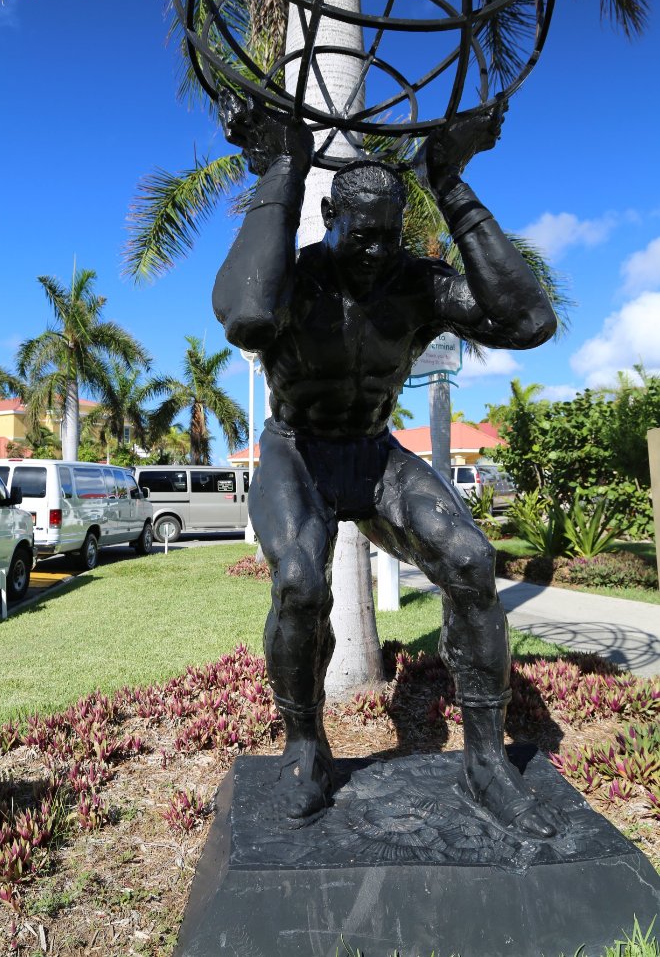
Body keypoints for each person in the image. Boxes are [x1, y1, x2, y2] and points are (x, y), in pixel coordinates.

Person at [213, 92, 563, 837]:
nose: (376, 251)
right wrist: (283, 167)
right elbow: (245, 315)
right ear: (329, 219)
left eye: (389, 236)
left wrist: (451, 185)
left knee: (470, 559)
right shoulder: (295, 280)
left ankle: (485, 761)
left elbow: (530, 321)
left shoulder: (416, 283)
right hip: (299, 451)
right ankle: (305, 745)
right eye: (362, 235)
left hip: (374, 454)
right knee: (300, 581)